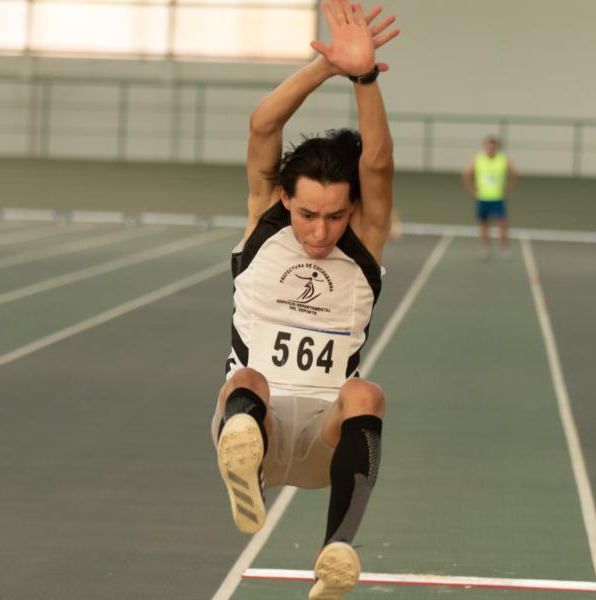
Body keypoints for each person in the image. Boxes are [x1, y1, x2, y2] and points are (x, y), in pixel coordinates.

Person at [210, 2, 399, 598]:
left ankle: (336, 550)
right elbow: (263, 126)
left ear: (354, 212)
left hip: (325, 437)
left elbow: (378, 161)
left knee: (366, 393)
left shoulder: (364, 242)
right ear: (283, 199)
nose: (320, 232)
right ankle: (242, 462)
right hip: (253, 423)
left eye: (336, 217)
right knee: (250, 380)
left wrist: (364, 78)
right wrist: (325, 68)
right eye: (307, 215)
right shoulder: (263, 220)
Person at [462, 135, 519, 258]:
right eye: (488, 146)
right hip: (482, 198)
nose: (490, 149)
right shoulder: (478, 159)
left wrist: (507, 188)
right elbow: (466, 173)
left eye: (493, 147)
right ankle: (485, 248)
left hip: (498, 198)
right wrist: (473, 189)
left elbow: (514, 173)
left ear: (497, 148)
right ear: (484, 147)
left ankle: (504, 248)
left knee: (502, 224)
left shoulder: (502, 159)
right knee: (483, 224)